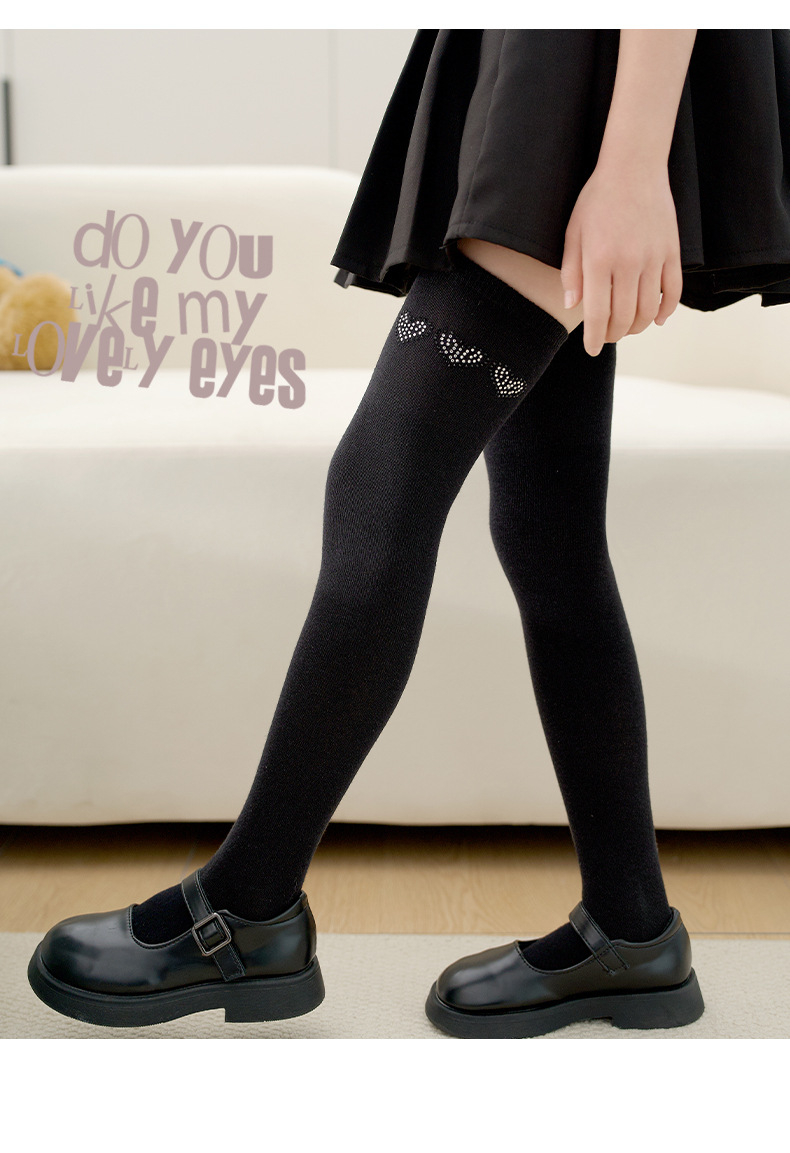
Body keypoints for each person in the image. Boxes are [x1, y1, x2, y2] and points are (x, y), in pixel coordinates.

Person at [27, 29, 790, 1038]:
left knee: (383, 479)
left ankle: (247, 905)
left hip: (591, 69)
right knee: (549, 531)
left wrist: (631, 162)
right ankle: (631, 928)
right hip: (546, 63)